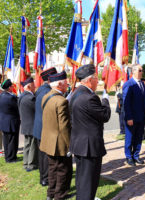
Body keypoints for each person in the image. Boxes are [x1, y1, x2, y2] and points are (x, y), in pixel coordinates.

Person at [70, 64, 111, 200]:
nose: (97, 81)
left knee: (82, 179)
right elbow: (104, 116)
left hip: (79, 143)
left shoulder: (75, 93)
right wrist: (105, 100)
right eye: (95, 78)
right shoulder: (89, 97)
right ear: (89, 80)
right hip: (89, 146)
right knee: (89, 180)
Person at [40, 71, 72, 200]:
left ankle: (51, 194)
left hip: (48, 140)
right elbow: (64, 127)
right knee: (63, 170)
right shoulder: (61, 101)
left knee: (52, 169)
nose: (67, 85)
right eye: (65, 83)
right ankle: (60, 195)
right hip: (59, 143)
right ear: (59, 84)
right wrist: (69, 146)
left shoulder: (46, 96)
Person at [33, 67, 57, 186]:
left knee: (42, 155)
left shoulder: (40, 90)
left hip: (39, 127)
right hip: (45, 128)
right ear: (50, 79)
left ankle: (43, 176)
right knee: (46, 156)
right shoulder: (47, 92)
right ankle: (45, 179)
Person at [123, 64, 145, 166]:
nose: (142, 72)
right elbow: (126, 103)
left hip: (141, 117)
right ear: (133, 71)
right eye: (140, 70)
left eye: (142, 70)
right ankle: (129, 157)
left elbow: (144, 101)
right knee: (130, 138)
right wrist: (129, 117)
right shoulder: (129, 84)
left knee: (138, 137)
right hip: (132, 117)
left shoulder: (142, 84)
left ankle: (136, 156)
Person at [18, 77, 38, 171]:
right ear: (29, 86)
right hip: (31, 125)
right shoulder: (30, 98)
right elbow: (37, 110)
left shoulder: (21, 96)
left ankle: (26, 163)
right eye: (34, 85)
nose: (35, 87)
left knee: (27, 145)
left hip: (26, 124)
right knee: (32, 145)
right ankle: (31, 164)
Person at [0, 79, 20, 163]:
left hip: (3, 121)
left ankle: (7, 157)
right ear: (9, 88)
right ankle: (11, 158)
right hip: (12, 122)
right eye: (12, 86)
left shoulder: (1, 96)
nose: (13, 87)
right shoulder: (11, 98)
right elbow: (17, 108)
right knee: (12, 140)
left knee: (6, 140)